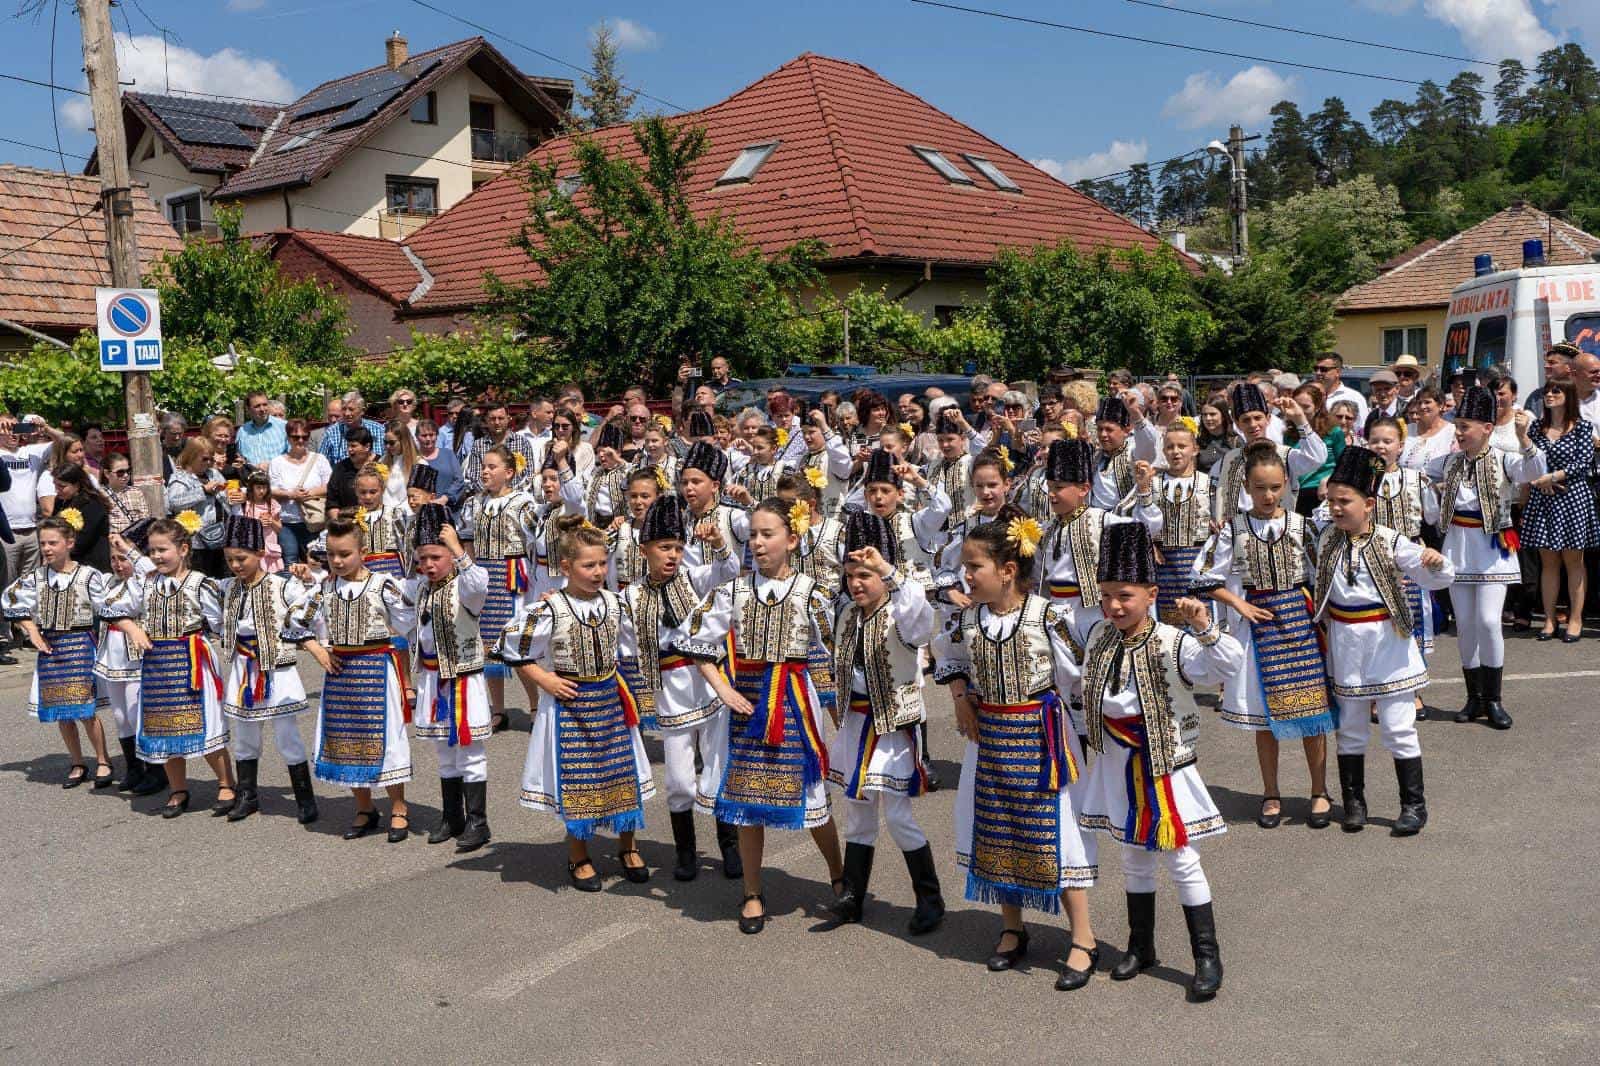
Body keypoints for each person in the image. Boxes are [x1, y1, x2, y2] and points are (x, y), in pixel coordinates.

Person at [1072, 522, 1242, 1001]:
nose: (1113, 606)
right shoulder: (1102, 639)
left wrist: (1205, 627)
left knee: (1182, 858)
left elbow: (1228, 667)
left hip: (1162, 766)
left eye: (1123, 595)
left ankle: (1207, 956)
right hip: (1116, 765)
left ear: (1150, 593)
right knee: (1132, 855)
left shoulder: (1173, 641)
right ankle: (1140, 945)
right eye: (1106, 595)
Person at [934, 506, 1097, 988]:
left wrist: (1088, 734)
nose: (966, 575)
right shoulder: (969, 620)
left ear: (1007, 571)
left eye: (974, 567)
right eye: (965, 567)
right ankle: (1012, 926)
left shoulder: (1049, 615)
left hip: (1040, 738)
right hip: (989, 740)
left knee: (1057, 834)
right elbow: (950, 656)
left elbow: (1078, 676)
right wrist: (962, 698)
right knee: (998, 828)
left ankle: (1083, 938)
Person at [700, 498, 846, 934]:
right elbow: (695, 641)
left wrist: (839, 715)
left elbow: (827, 655)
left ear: (792, 539)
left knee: (813, 797)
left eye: (768, 534)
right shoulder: (732, 591)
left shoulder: (814, 594)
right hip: (746, 704)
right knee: (747, 802)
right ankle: (751, 890)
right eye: (754, 536)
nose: (759, 544)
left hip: (796, 703)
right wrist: (722, 687)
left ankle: (840, 878)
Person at [498, 516, 656, 889]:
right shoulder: (551, 609)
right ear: (566, 567)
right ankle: (579, 856)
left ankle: (628, 847)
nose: (598, 571)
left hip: (610, 701)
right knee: (579, 779)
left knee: (622, 774)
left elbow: (637, 645)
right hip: (571, 704)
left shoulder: (616, 604)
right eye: (589, 565)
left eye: (602, 563)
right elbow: (508, 646)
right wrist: (544, 678)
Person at [1193, 442, 1336, 830]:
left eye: (1275, 487)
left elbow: (1321, 572)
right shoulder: (1234, 528)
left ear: (1286, 484)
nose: (1268, 495)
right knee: (1263, 718)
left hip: (1298, 623)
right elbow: (1203, 576)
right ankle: (1270, 792)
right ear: (1247, 487)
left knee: (1312, 715)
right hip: (1258, 624)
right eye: (1260, 488)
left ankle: (1319, 790)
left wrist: (1320, 617)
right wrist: (1239, 605)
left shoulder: (1300, 525)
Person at [1313, 447, 1454, 837]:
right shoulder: (1325, 539)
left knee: (1398, 727)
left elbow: (1438, 579)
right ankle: (1354, 803)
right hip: (1345, 646)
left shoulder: (1391, 542)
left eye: (1345, 502)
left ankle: (1413, 805)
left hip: (1388, 647)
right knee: (1351, 728)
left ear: (1369, 504)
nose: (1336, 509)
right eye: (1331, 501)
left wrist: (1436, 562)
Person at [825, 513, 945, 935]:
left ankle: (929, 898)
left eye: (867, 575)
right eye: (852, 575)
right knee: (857, 813)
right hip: (857, 726)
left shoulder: (901, 614)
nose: (858, 583)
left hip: (892, 728)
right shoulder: (848, 617)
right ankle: (852, 897)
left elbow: (923, 619)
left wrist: (889, 572)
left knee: (897, 815)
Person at [621, 493, 740, 881]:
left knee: (718, 768)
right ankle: (686, 852)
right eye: (663, 548)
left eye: (677, 547)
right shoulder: (630, 597)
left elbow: (731, 568)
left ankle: (730, 847)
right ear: (644, 550)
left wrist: (719, 543)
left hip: (710, 689)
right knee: (678, 781)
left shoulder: (693, 577)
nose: (672, 555)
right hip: (669, 697)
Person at [1425, 388, 1545, 730]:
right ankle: (1474, 697)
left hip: (1493, 548)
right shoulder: (1447, 462)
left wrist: (1524, 438)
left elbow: (1534, 469)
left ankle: (1494, 699)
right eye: (1457, 425)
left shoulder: (1505, 458)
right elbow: (1411, 471)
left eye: (1465, 426)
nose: (1459, 432)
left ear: (1487, 428)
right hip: (1458, 547)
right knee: (1465, 624)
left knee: (1489, 621)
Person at [290, 518, 415, 842]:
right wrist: (318, 650)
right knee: (348, 741)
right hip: (341, 672)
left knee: (385, 739)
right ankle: (364, 807)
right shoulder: (325, 588)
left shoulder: (382, 585)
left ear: (362, 551)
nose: (337, 561)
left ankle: (398, 807)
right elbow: (293, 621)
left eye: (344, 554)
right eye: (331, 554)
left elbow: (408, 620)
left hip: (376, 670)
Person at [105, 517, 236, 819]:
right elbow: (111, 606)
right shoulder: (146, 581)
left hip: (191, 659)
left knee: (204, 725)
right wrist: (133, 629)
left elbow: (220, 622)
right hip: (156, 663)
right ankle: (178, 788)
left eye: (163, 550)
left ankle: (226, 783)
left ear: (183, 549)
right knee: (165, 727)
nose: (157, 556)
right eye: (152, 551)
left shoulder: (200, 583)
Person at [3, 515, 119, 788]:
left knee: (84, 709)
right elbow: (11, 600)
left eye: (53, 542)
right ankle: (77, 761)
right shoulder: (36, 577)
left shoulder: (88, 576)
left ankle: (103, 760)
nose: (47, 548)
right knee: (62, 711)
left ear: (69, 542)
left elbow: (109, 606)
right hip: (50, 646)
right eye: (43, 543)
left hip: (79, 644)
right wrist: (32, 631)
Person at [216, 514, 317, 824]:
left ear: (260, 553)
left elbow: (309, 607)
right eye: (231, 559)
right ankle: (248, 795)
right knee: (245, 736)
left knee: (287, 736)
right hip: (244, 669)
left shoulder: (280, 585)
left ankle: (304, 798)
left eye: (242, 558)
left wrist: (308, 581)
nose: (236, 565)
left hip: (275, 669)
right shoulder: (227, 588)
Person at [408, 505, 493, 852]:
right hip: (433, 680)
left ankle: (479, 822)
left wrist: (458, 549)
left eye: (435, 556)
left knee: (469, 752)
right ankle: (452, 816)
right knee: (444, 752)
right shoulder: (422, 590)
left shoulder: (465, 588)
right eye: (422, 558)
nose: (428, 564)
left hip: (462, 680)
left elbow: (480, 582)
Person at [463, 446, 545, 734]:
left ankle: (535, 705)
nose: (485, 471)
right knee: (487, 646)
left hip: (512, 576)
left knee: (517, 641)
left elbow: (537, 538)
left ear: (509, 472)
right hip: (485, 575)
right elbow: (468, 540)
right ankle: (498, 709)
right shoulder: (475, 503)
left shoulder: (522, 503)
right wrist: (470, 573)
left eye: (492, 467)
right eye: (484, 466)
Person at [1366, 417, 1441, 719]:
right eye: (1375, 441)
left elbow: (1432, 517)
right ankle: (1375, 692)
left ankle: (1413, 690)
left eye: (1387, 441)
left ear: (1400, 445)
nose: (1381, 446)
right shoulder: (1360, 479)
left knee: (1412, 623)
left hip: (1408, 558)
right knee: (1374, 626)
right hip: (1371, 558)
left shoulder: (1415, 478)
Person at [1521, 378, 1597, 642]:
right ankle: (1550, 620)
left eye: (1556, 390)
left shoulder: (1583, 427)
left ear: (1569, 395)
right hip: (1544, 498)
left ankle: (1575, 619)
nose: (1549, 394)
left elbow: (1583, 463)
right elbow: (1527, 460)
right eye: (1547, 391)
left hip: (1572, 497)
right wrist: (1539, 480)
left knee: (1574, 560)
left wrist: (1552, 477)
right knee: (1548, 562)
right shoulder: (1536, 428)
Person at [95, 542, 164, 794]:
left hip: (134, 655)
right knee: (120, 715)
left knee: (137, 715)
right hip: (110, 655)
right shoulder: (107, 583)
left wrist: (131, 550)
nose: (117, 564)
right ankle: (133, 768)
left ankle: (156, 770)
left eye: (122, 558)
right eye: (113, 559)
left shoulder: (144, 582)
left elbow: (149, 566)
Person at [1211, 385, 1326, 522]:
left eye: (1258, 418)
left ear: (1268, 418)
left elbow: (1317, 458)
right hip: (1239, 535)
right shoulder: (1228, 461)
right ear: (1237, 423)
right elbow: (1212, 495)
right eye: (1246, 420)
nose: (1253, 424)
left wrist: (1300, 420)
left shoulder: (1285, 456)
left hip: (1279, 531)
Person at [1141, 424, 1212, 625]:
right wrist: (1149, 543)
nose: (1176, 452)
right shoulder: (1153, 482)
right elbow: (1134, 519)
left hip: (1198, 564)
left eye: (1182, 446)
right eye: (1170, 447)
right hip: (1165, 565)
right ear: (1163, 451)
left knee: (1203, 621)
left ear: (1195, 449)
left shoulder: (1209, 484)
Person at [269, 420, 331, 566]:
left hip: (314, 520)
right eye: (296, 437)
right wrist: (291, 495)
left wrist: (310, 492)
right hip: (287, 521)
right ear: (288, 438)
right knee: (290, 561)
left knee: (317, 561)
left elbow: (330, 486)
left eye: (305, 436)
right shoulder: (277, 462)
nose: (301, 440)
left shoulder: (319, 460)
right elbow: (271, 490)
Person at [165, 438, 229, 579]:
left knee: (222, 580)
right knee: (198, 580)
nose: (209, 463)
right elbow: (174, 503)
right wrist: (203, 491)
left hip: (220, 538)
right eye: (204, 459)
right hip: (196, 542)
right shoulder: (180, 478)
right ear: (192, 456)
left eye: (211, 459)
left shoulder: (214, 473)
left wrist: (234, 497)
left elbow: (226, 494)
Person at [1289, 383, 1344, 516]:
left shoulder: (1333, 431)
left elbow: (1344, 463)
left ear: (1318, 407)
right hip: (1295, 492)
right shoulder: (1288, 434)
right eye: (1297, 406)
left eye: (1306, 407)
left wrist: (1327, 479)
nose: (1300, 411)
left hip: (1320, 491)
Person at [50, 464, 111, 572]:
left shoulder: (93, 504)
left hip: (90, 563)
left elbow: (82, 540)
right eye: (55, 485)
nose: (57, 490)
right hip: (65, 560)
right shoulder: (60, 501)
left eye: (62, 486)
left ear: (77, 485)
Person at [232, 471, 283, 573]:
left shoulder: (272, 504)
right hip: (252, 548)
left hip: (270, 547)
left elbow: (279, 529)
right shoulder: (246, 505)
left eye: (264, 487)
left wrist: (271, 521)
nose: (262, 491)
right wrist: (257, 523)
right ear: (251, 488)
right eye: (258, 487)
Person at [318, 392, 387, 465]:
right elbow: (320, 463)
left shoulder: (378, 430)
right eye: (344, 409)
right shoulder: (331, 432)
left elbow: (387, 459)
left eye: (351, 409)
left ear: (362, 411)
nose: (347, 413)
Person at [324, 425, 375, 521]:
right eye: (348, 445)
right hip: (347, 524)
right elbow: (332, 502)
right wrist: (338, 524)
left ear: (367, 447)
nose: (349, 449)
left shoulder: (381, 465)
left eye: (353, 446)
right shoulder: (340, 468)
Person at [414, 419, 464, 514]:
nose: (428, 439)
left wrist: (445, 498)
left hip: (449, 509)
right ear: (417, 437)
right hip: (422, 511)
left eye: (432, 435)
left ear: (437, 435)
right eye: (424, 436)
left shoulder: (448, 454)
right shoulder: (413, 458)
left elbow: (459, 480)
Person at [1313, 353, 1368, 429]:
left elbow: (1362, 428)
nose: (1318, 373)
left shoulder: (1354, 397)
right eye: (1316, 369)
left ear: (1338, 372)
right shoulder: (1308, 395)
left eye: (1323, 369)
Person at [101, 453, 151, 537]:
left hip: (134, 542)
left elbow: (145, 520)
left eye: (128, 471)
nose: (126, 475)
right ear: (107, 473)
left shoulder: (136, 492)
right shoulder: (99, 495)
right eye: (120, 472)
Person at [235, 392, 288, 470]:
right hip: (252, 479)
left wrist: (272, 465)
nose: (262, 409)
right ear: (248, 409)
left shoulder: (284, 427)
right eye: (257, 406)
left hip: (280, 477)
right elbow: (241, 458)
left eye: (265, 405)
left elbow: (294, 456)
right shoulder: (242, 431)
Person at [381, 421, 420, 509]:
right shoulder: (382, 461)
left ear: (404, 441)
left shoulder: (419, 464)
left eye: (392, 443)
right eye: (385, 442)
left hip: (409, 514)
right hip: (385, 513)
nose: (387, 446)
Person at [1195, 401, 1234, 476]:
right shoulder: (1198, 442)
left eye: (1212, 414)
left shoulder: (1235, 441)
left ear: (1223, 416)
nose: (1208, 418)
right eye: (1204, 415)